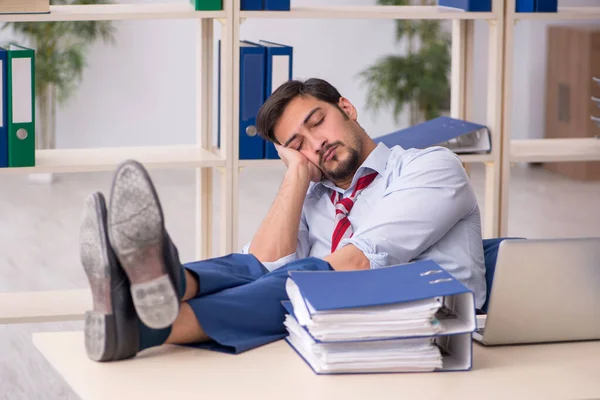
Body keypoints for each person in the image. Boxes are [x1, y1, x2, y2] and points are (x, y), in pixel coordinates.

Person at [79, 78, 486, 362]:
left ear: (346, 107)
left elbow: (362, 261)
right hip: (334, 328)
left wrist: (304, 275)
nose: (317, 143)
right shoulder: (314, 193)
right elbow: (261, 264)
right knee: (266, 268)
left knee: (310, 276)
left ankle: (143, 313)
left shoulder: (430, 166)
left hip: (426, 324)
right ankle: (160, 289)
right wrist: (295, 176)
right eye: (298, 145)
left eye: (317, 122)